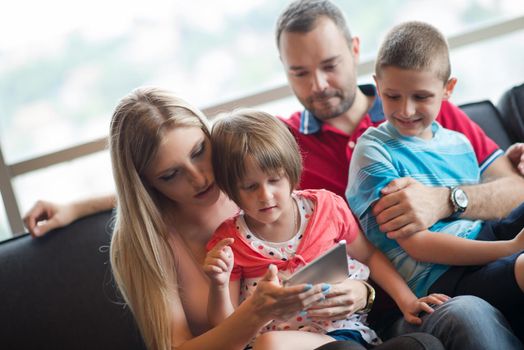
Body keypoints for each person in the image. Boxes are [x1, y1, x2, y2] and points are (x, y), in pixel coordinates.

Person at [23, 0, 524, 349]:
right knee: (465, 315)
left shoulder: (416, 106)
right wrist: (79, 205)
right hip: (364, 320)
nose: (319, 84)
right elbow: (155, 177)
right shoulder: (274, 153)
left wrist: (449, 199)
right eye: (299, 73)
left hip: (406, 286)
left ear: (355, 50)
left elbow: (512, 188)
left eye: (329, 64)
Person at [103, 87, 339, 350]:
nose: (200, 178)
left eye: (199, 151)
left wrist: (366, 294)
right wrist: (254, 315)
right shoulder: (146, 242)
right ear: (145, 183)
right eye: (171, 175)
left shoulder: (251, 182)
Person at [203, 109, 447, 349]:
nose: (265, 196)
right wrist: (219, 284)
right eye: (249, 186)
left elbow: (369, 255)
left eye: (274, 180)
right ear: (230, 189)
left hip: (344, 332)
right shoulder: (229, 241)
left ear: (291, 170)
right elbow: (225, 327)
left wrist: (407, 301)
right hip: (280, 345)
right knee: (271, 343)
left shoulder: (326, 207)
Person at [346, 20, 524, 338]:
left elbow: (500, 200)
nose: (406, 109)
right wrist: (508, 247)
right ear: (376, 85)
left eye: (421, 96)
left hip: (485, 238)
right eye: (393, 96)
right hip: (440, 276)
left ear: (448, 89)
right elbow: (419, 246)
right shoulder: (372, 151)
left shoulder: (458, 142)